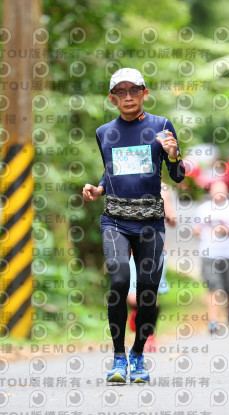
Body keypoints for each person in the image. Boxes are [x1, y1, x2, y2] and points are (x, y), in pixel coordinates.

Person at [82, 68, 185, 384]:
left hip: (150, 222)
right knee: (119, 282)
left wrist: (173, 155)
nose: (128, 97)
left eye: (134, 90)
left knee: (148, 292)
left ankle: (138, 354)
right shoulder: (104, 132)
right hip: (115, 220)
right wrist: (99, 189)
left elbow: (177, 175)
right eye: (121, 92)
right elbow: (111, 170)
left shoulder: (161, 126)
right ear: (112, 98)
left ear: (144, 93)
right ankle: (118, 357)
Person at [126, 183, 176, 352]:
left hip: (156, 249)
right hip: (131, 249)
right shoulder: (129, 182)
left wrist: (168, 215)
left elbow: (172, 219)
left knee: (151, 295)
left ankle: (149, 335)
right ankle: (136, 312)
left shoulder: (163, 188)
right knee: (133, 298)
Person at [193, 180, 229, 331]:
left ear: (227, 192)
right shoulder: (203, 209)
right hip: (210, 254)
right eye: (216, 191)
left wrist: (226, 230)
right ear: (210, 192)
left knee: (228, 288)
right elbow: (196, 228)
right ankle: (213, 321)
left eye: (222, 190)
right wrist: (197, 231)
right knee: (213, 286)